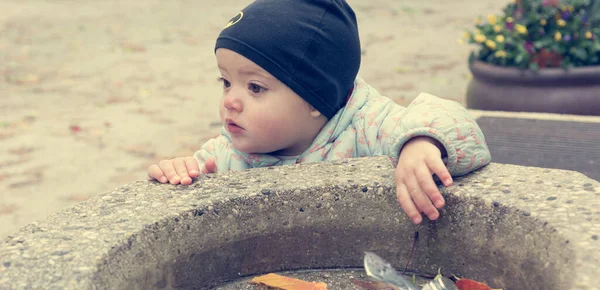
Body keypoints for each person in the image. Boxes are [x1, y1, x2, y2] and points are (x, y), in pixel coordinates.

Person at [147, 0, 491, 225]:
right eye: (225, 82)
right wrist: (183, 171)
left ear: (315, 99)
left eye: (255, 87)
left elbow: (455, 122)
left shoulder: (367, 126)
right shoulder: (227, 155)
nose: (230, 102)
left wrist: (420, 143)